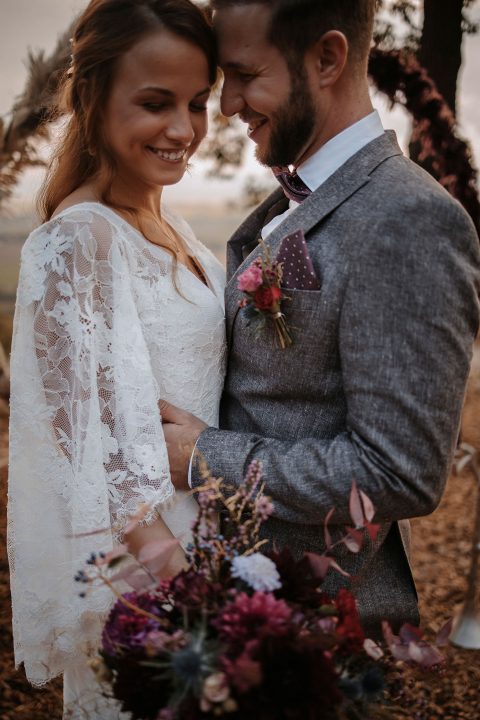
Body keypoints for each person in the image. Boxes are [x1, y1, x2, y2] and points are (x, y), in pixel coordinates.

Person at [162, 0, 480, 636]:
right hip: (238, 606)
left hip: (313, 630)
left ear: (328, 58)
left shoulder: (408, 221)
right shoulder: (294, 200)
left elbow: (398, 473)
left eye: (246, 75)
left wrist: (205, 458)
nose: (228, 106)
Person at [7, 1, 225, 717]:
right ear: (95, 98)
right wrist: (181, 602)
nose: (184, 129)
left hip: (220, 551)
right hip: (148, 583)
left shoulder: (176, 230)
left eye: (198, 103)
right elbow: (89, 452)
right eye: (156, 103)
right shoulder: (78, 241)